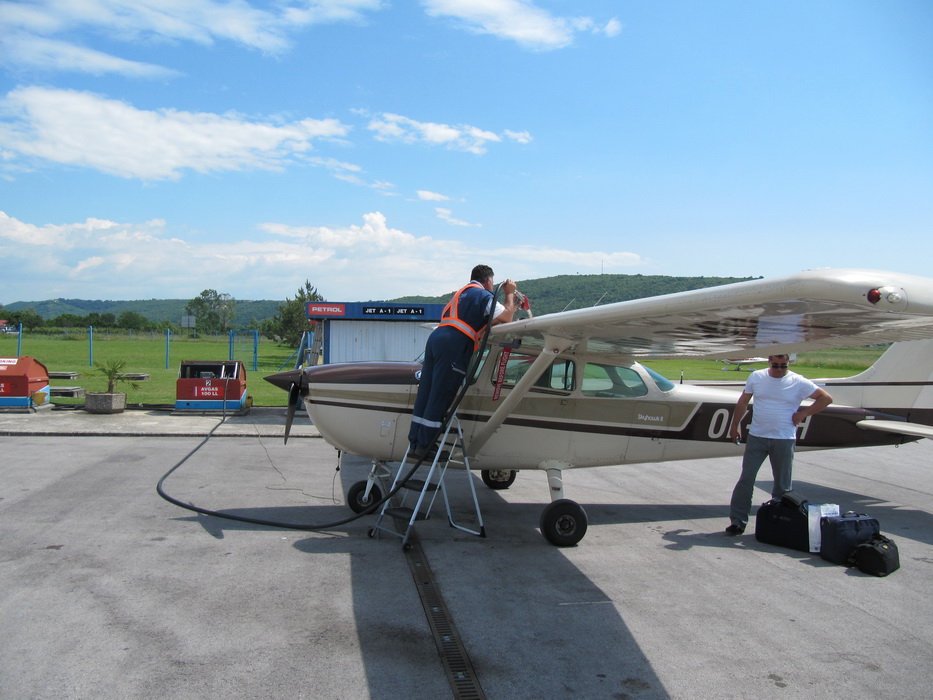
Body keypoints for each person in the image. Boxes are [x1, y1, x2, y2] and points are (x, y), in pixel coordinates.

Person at [408, 265, 517, 458]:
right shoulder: (483, 295)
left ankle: (415, 443)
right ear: (488, 281)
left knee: (426, 392)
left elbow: (481, 321)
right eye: (492, 283)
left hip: (436, 340)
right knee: (440, 394)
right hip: (454, 344)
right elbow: (507, 317)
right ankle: (426, 446)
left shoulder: (461, 295)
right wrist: (510, 294)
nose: (492, 287)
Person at [725, 354, 833, 534]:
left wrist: (803, 414)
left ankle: (780, 524)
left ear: (788, 363)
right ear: (769, 362)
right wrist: (734, 425)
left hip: (784, 438)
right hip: (757, 436)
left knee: (782, 487)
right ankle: (737, 521)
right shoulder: (756, 376)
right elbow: (743, 401)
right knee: (746, 479)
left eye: (783, 366)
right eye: (775, 365)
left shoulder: (798, 381)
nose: (779, 369)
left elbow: (826, 398)